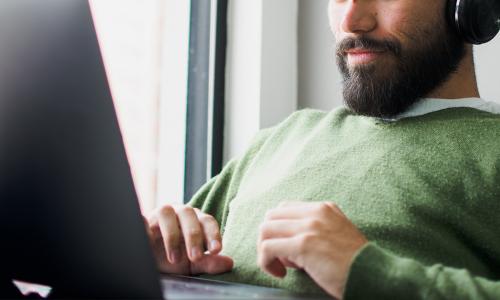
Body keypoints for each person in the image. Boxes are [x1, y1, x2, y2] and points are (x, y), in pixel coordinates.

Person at [145, 0, 500, 299]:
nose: (351, 20)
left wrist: (367, 272)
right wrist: (153, 258)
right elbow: (175, 247)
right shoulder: (280, 139)